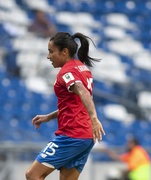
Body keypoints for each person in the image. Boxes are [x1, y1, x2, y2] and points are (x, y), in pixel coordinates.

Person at [25, 32, 105, 180]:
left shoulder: (66, 72)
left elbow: (82, 91)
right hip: (86, 137)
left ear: (64, 52)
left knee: (32, 175)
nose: (48, 56)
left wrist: (94, 118)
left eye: (51, 51)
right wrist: (49, 116)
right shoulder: (83, 68)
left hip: (72, 134)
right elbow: (77, 102)